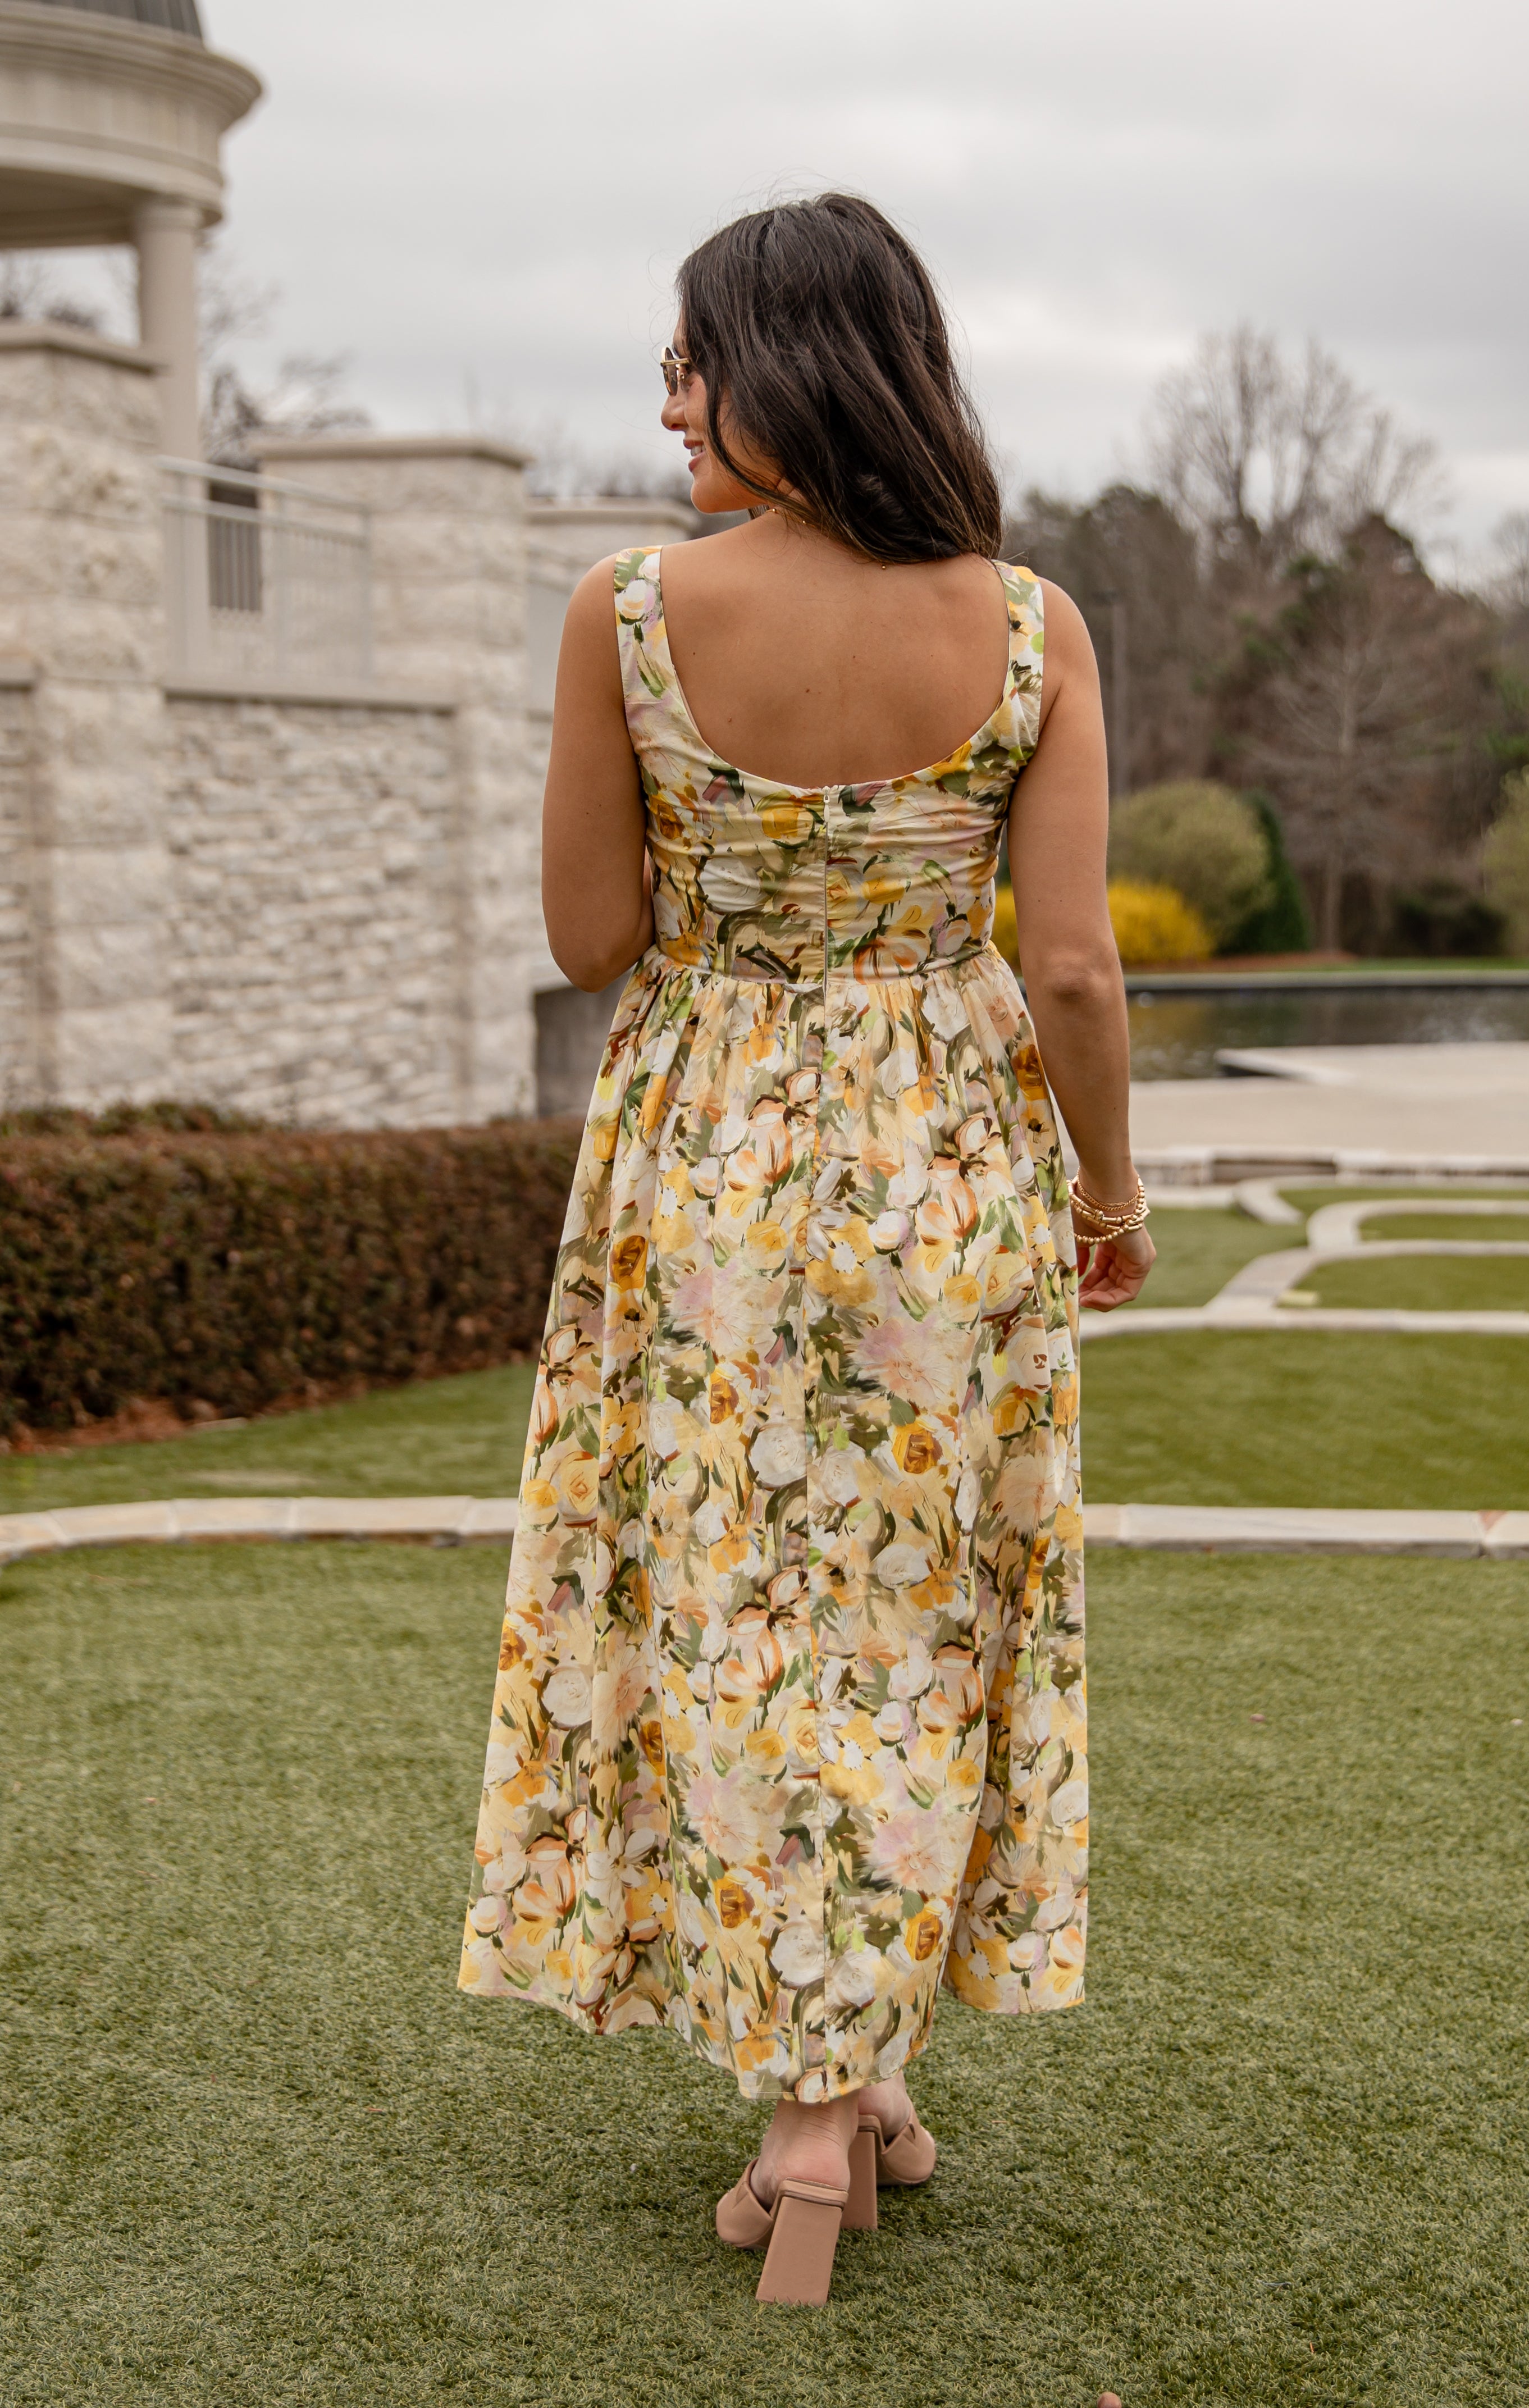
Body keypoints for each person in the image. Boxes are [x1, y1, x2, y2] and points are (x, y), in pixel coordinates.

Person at [458, 191, 1155, 2309]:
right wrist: (1107, 1198)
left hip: (707, 1176)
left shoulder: (626, 613)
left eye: (689, 361)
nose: (666, 401)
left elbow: (594, 941)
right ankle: (859, 2083)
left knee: (731, 1608)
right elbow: (1071, 970)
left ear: (782, 364)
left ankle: (809, 2107)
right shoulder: (1033, 628)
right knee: (920, 1621)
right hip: (950, 1165)